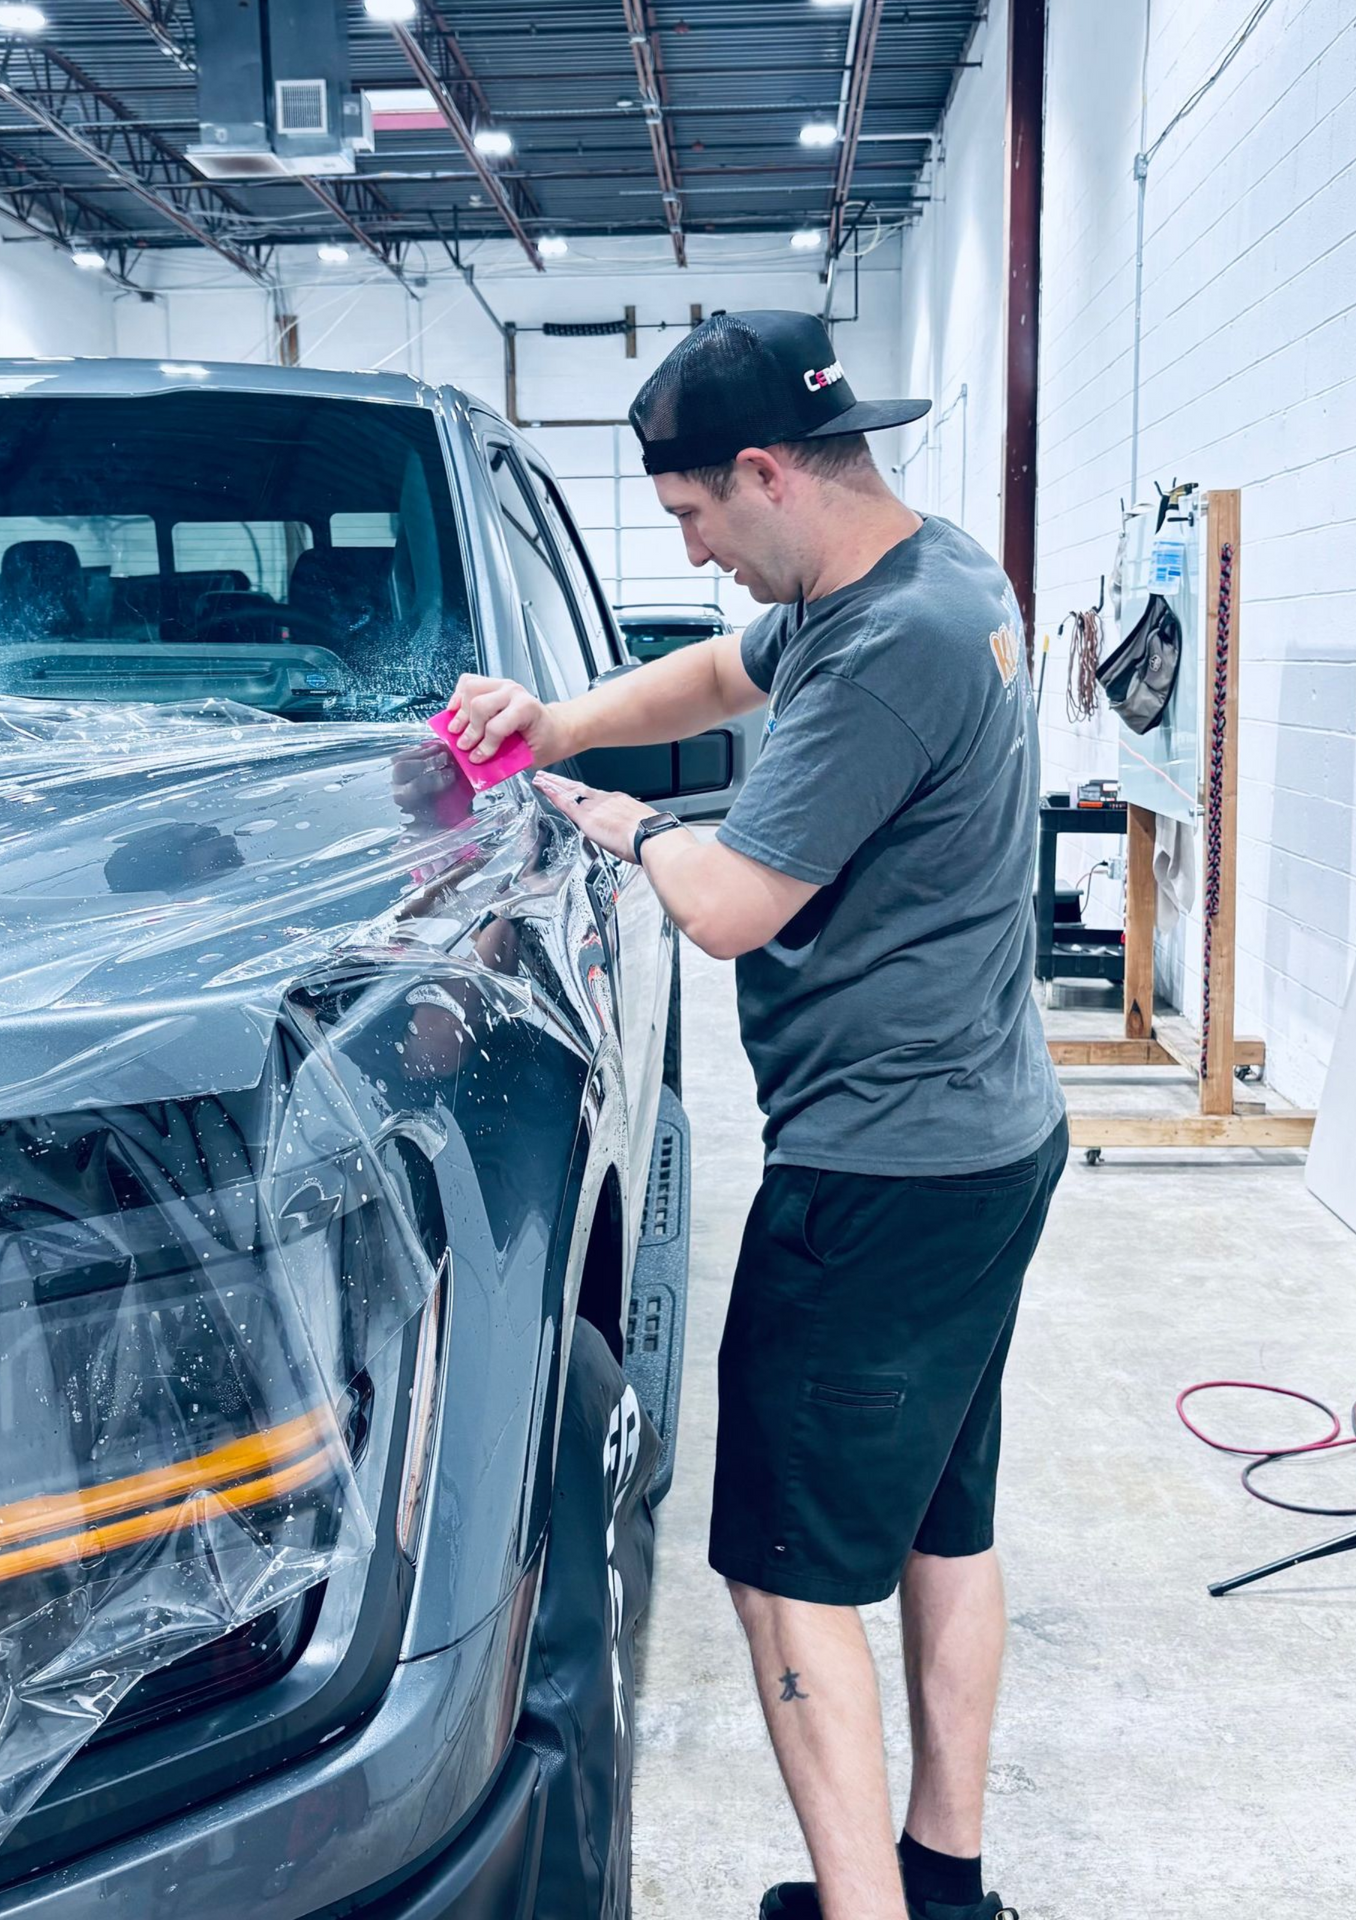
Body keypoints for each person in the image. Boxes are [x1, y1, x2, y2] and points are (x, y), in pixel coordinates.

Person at [442, 310, 1066, 1920]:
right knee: (941, 1520)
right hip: (984, 1141)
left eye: (695, 515)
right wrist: (558, 719)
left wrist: (613, 820)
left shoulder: (888, 651)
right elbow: (726, 670)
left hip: (880, 1173)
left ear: (768, 473)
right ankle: (942, 1885)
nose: (696, 554)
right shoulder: (930, 571)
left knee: (783, 1578)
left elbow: (727, 905)